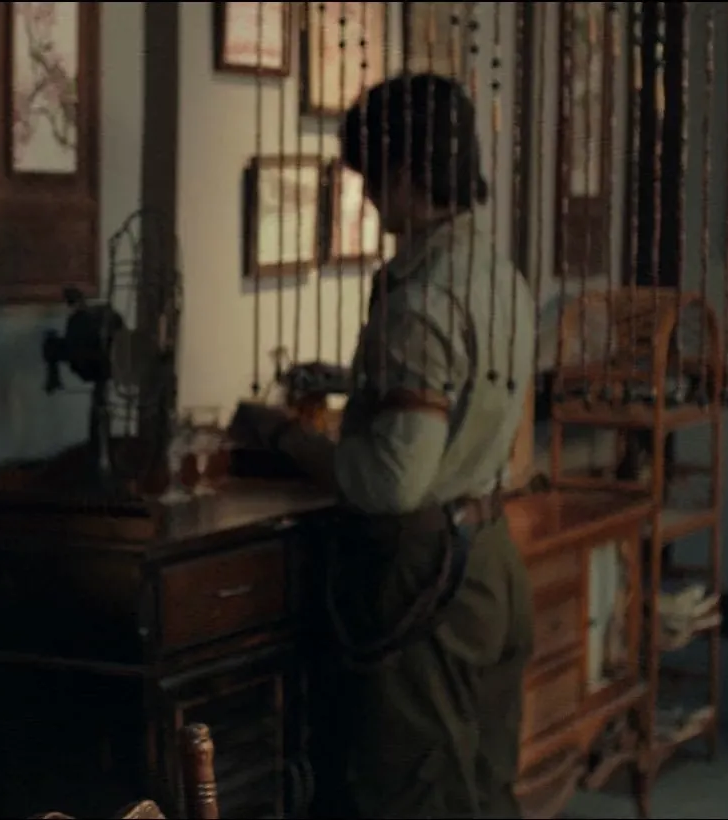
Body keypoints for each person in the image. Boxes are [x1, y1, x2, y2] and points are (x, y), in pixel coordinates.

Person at [240, 74, 536, 818]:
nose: (368, 196)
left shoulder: (422, 299)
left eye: (371, 177)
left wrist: (284, 436)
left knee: (412, 793)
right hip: (491, 555)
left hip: (426, 575)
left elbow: (390, 481)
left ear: (405, 174)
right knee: (483, 787)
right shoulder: (499, 276)